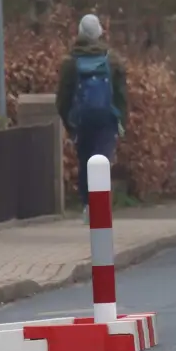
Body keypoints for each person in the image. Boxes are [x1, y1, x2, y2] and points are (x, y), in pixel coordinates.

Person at [56, 13, 128, 215]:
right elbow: (122, 95)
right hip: (106, 119)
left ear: (79, 32)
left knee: (85, 160)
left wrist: (70, 124)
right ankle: (101, 210)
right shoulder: (112, 60)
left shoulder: (70, 62)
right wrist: (121, 121)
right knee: (102, 160)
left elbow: (63, 98)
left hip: (82, 120)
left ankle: (88, 206)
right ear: (99, 33)